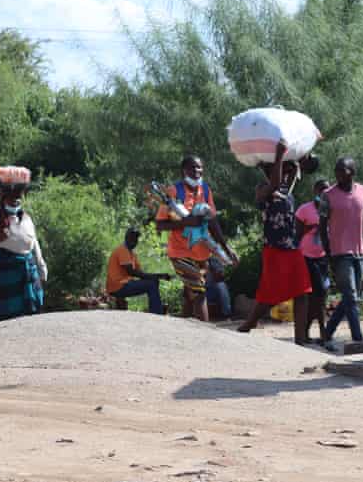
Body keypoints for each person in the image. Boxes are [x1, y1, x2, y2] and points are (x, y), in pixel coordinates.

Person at [237, 141, 313, 344]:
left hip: (292, 248)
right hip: (275, 249)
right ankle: (249, 324)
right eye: (283, 167)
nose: (287, 171)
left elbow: (297, 172)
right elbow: (274, 184)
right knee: (268, 294)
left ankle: (301, 338)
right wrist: (279, 155)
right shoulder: (263, 189)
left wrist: (297, 160)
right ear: (270, 169)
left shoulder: (287, 191)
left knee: (302, 291)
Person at [155, 156, 238, 321]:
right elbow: (160, 224)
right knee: (199, 292)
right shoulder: (174, 192)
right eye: (193, 168)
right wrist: (186, 222)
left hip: (201, 253)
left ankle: (184, 330)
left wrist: (227, 249)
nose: (197, 171)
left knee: (190, 291)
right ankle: (205, 335)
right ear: (184, 170)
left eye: (200, 168)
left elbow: (213, 222)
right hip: (180, 252)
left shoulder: (205, 190)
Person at [0, 171, 47, 321]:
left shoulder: (27, 218)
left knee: (33, 307)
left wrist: (41, 267)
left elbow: (34, 244)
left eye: (18, 199)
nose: (15, 203)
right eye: (12, 200)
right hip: (5, 272)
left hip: (28, 269)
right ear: (4, 199)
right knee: (9, 312)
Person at [320, 158, 363, 346]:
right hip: (339, 252)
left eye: (342, 170)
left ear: (352, 172)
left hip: (360, 251)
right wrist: (328, 252)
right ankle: (358, 338)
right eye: (336, 170)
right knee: (350, 296)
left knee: (353, 297)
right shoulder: (328, 195)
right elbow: (322, 226)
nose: (338, 174)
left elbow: (362, 220)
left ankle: (328, 331)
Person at [295, 179, 331, 343]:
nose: (324, 192)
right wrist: (311, 228)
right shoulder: (304, 210)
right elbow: (296, 234)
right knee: (315, 294)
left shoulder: (331, 210)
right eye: (321, 189)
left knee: (321, 294)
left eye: (327, 189)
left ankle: (311, 330)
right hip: (306, 256)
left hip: (323, 256)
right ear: (315, 191)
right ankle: (320, 332)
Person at [106, 228, 171, 314]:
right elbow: (132, 272)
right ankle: (157, 312)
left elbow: (140, 273)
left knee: (153, 282)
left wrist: (158, 276)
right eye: (132, 238)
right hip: (117, 286)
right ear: (126, 238)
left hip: (124, 284)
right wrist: (159, 276)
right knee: (151, 284)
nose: (134, 241)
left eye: (136, 238)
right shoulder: (122, 250)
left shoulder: (132, 254)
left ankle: (157, 308)